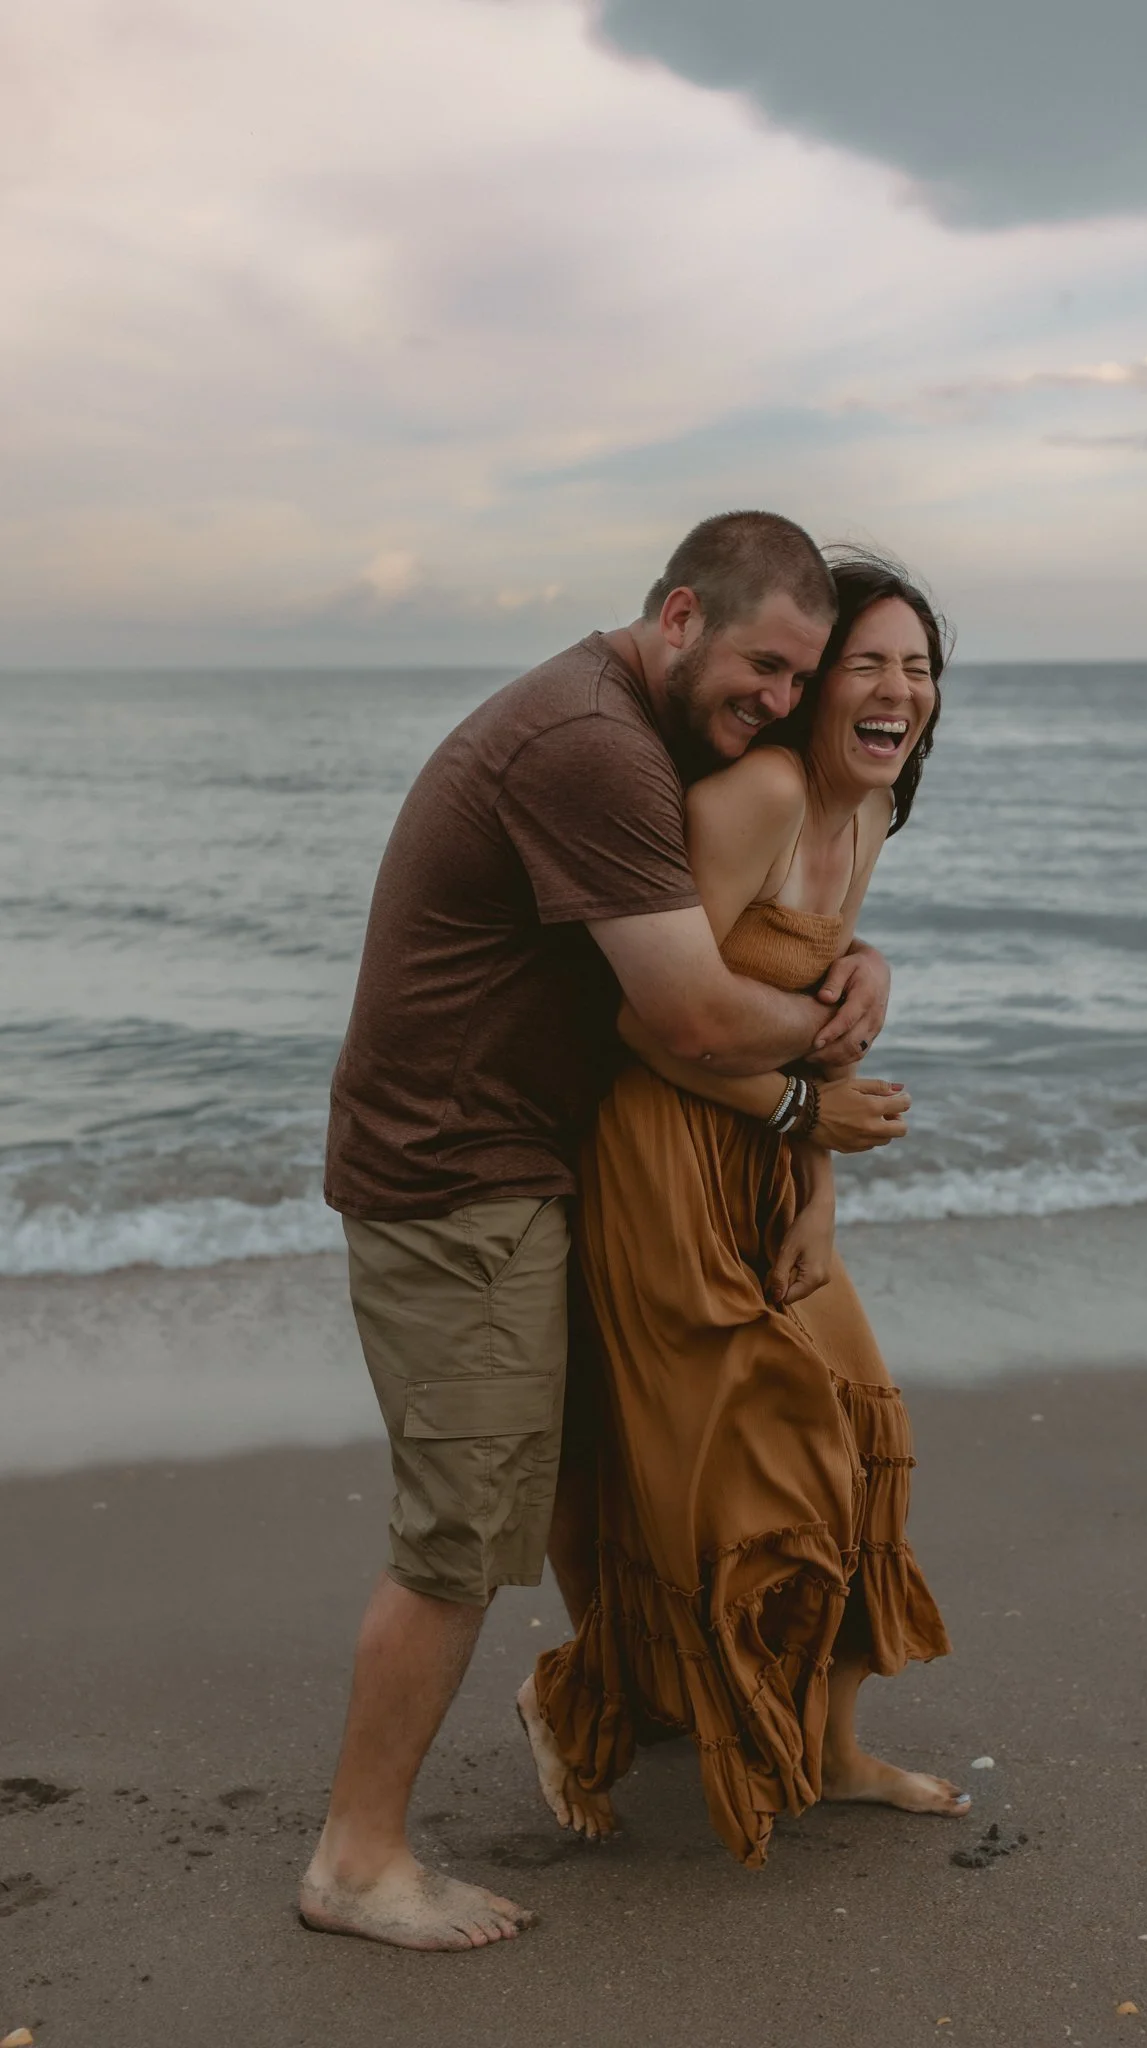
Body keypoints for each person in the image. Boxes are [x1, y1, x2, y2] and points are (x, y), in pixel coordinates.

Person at [303, 512, 911, 1951]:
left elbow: (743, 932)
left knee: (592, 1471)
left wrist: (856, 961)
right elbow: (688, 1010)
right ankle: (356, 1858)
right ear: (681, 614)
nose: (775, 700)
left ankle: (619, 1708)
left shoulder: (641, 733)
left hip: (533, 1161)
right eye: (764, 664)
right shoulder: (590, 745)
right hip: (459, 1176)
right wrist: (831, 1046)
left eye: (797, 681)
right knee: (462, 1529)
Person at [528, 552, 967, 1869]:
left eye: (922, 670)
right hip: (668, 1159)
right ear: (812, 688)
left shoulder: (869, 817)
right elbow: (648, 1021)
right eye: (870, 665)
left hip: (775, 1158)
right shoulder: (767, 792)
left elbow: (817, 1035)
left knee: (855, 1430)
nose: (899, 692)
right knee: (736, 1478)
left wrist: (817, 1189)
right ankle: (577, 1697)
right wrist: (797, 1121)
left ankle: (832, 1754)